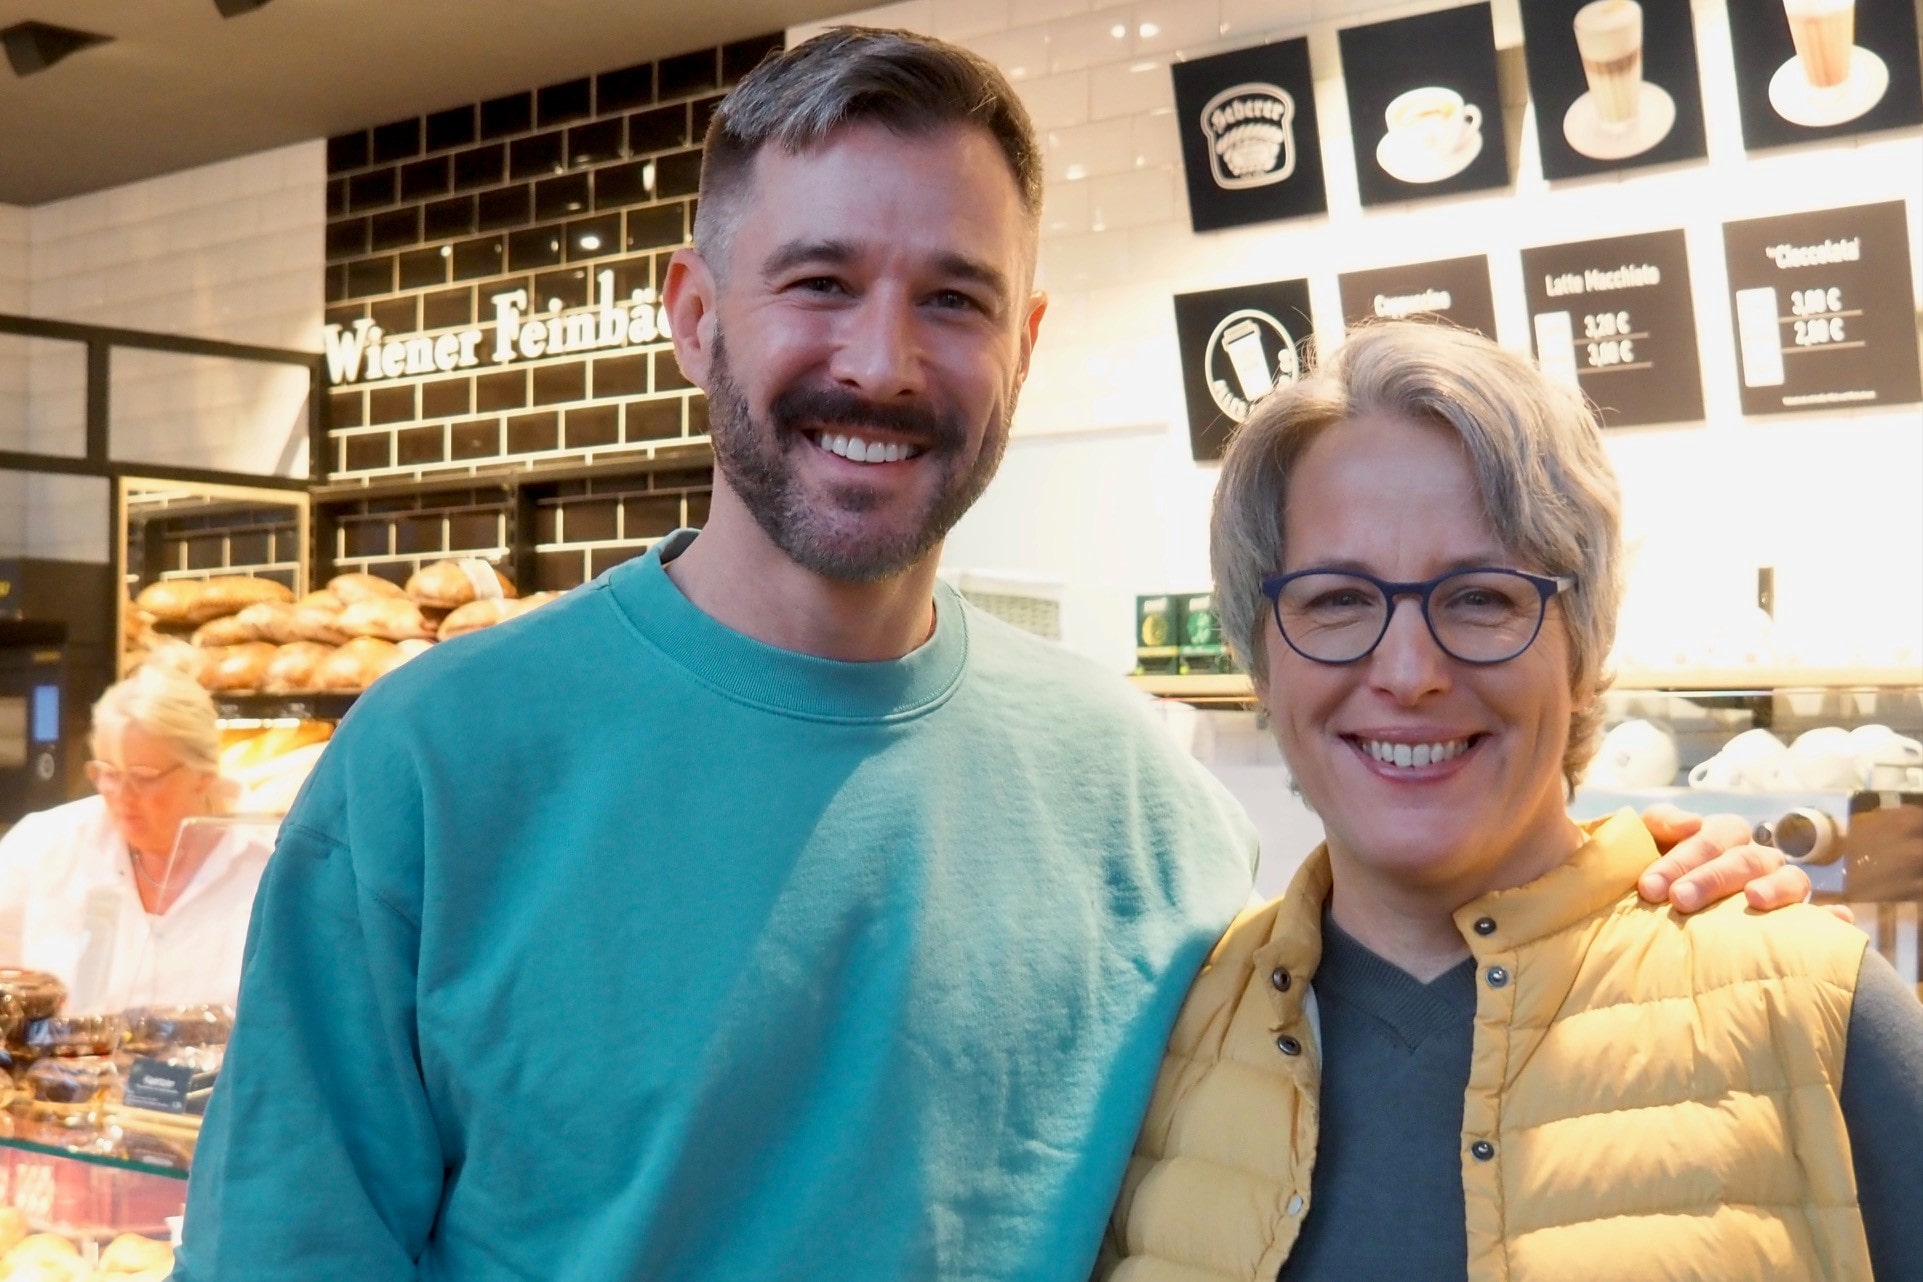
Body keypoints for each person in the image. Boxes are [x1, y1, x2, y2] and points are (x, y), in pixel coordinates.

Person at [175, 32, 1810, 1282]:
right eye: (818, 281)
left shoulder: (1145, 802)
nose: (880, 361)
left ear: (1020, 341)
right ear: (695, 315)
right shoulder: (434, 772)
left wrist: (1629, 887)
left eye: (951, 299)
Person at [1100, 322, 1923, 1282]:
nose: (1408, 673)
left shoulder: (1811, 1013)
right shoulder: (1168, 1036)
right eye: (1335, 600)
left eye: (1482, 597)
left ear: (1581, 650)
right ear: (1259, 660)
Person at [0, 650, 273, 1010]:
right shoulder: (42, 847)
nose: (122, 796)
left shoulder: (268, 862)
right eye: (108, 774)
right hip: (69, 1066)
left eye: (144, 778)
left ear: (203, 775)